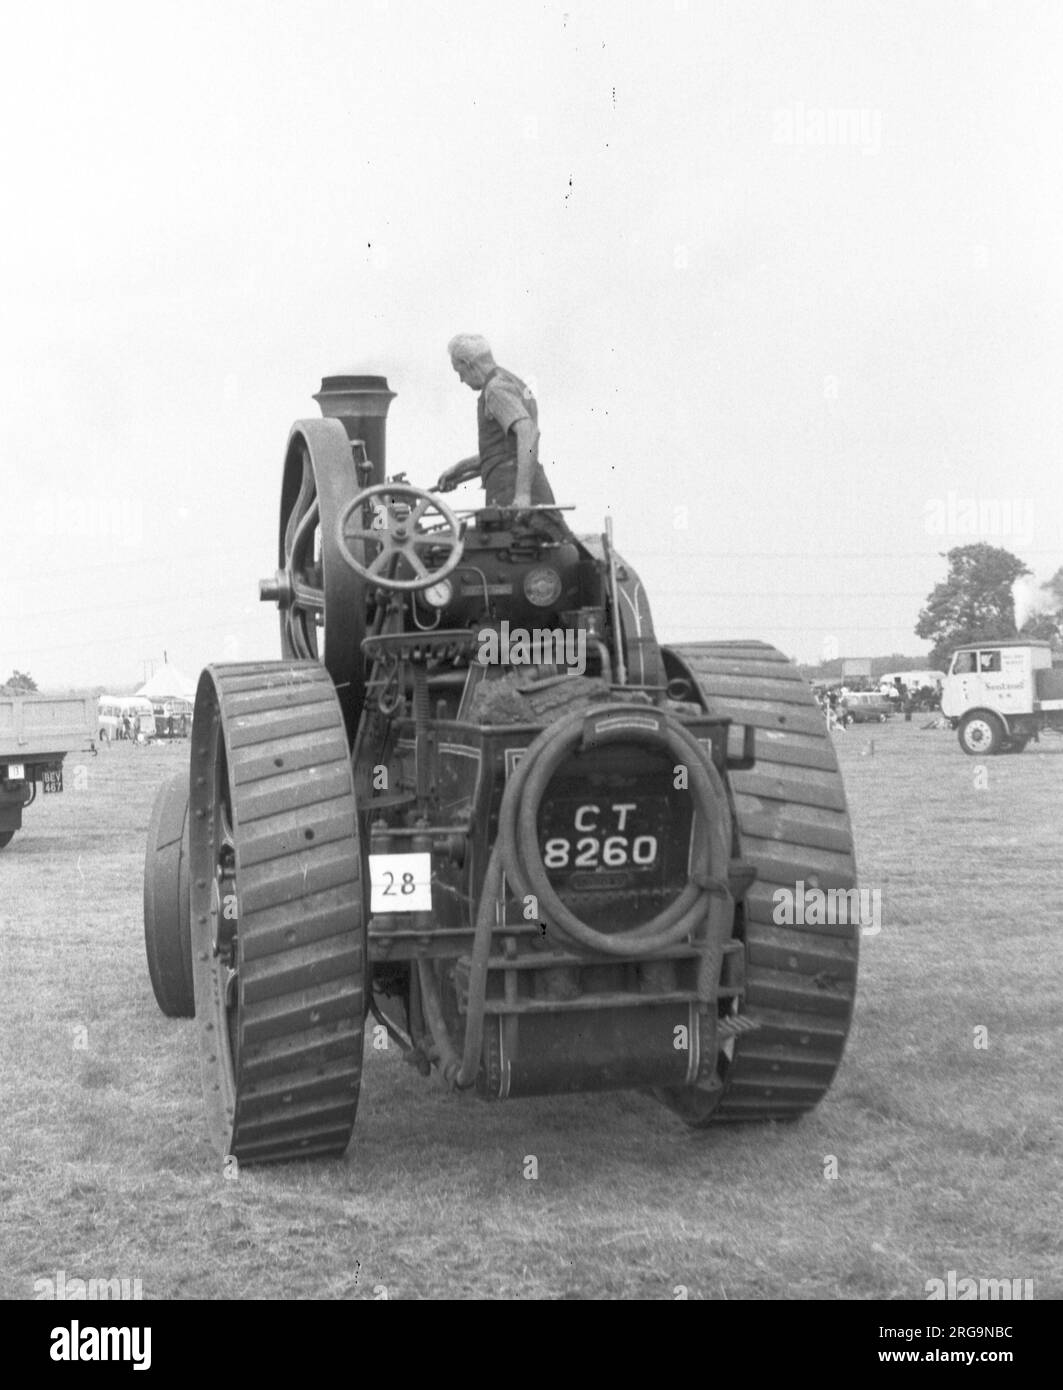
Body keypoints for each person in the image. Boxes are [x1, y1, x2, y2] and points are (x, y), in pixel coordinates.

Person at [436, 334, 556, 508]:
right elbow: (507, 451)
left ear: (468, 364)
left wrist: (522, 496)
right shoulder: (515, 383)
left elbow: (528, 433)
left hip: (511, 494)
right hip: (531, 491)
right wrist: (459, 469)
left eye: (459, 372)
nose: (461, 380)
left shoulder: (495, 388)